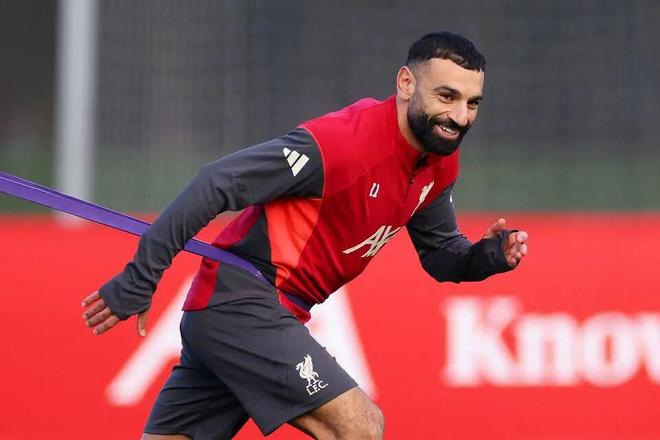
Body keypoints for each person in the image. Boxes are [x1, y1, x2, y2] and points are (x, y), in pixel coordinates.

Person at [81, 31, 529, 440]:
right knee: (360, 427)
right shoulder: (340, 145)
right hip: (241, 303)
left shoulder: (439, 159)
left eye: (472, 103)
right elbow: (215, 182)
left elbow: (442, 253)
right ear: (406, 84)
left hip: (250, 315)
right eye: (446, 96)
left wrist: (485, 257)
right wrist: (140, 277)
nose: (459, 116)